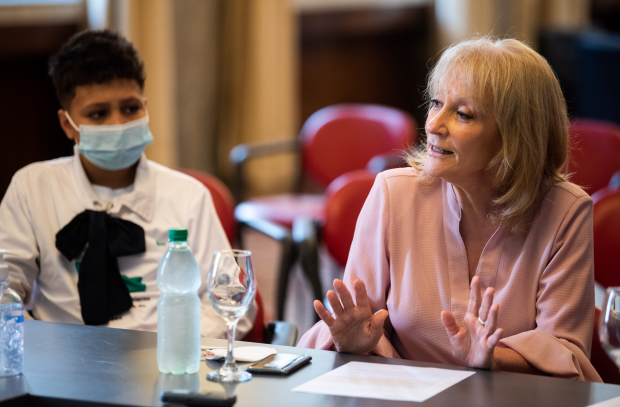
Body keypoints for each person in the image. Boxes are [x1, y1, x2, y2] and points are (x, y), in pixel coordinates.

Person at [297, 36, 601, 382]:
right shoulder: (393, 193)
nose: (433, 125)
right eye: (435, 103)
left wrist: (495, 359)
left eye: (462, 114)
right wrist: (354, 344)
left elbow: (566, 352)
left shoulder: (566, 210)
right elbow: (353, 325)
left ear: (515, 136)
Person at [0, 29, 256, 338]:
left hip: (165, 362)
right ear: (68, 124)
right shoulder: (32, 187)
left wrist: (176, 347)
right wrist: (38, 347)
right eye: (98, 114)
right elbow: (5, 286)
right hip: (63, 364)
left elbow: (230, 296)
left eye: (131, 108)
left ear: (146, 107)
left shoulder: (188, 195)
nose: (118, 124)